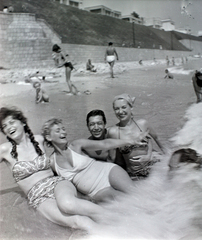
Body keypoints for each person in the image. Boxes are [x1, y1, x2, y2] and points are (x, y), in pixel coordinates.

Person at [0, 107, 112, 231]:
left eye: (11, 122)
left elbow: (61, 140)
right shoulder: (4, 150)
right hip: (38, 197)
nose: (9, 127)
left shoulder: (38, 139)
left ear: (23, 122)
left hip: (57, 184)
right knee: (78, 221)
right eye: (4, 126)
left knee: (68, 204)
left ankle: (119, 218)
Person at [41, 118, 141, 203]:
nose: (64, 132)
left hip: (108, 172)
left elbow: (105, 144)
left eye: (63, 129)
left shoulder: (76, 145)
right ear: (48, 137)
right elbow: (59, 185)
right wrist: (83, 198)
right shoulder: (52, 163)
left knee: (137, 196)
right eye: (58, 131)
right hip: (97, 191)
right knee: (127, 204)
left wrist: (130, 141)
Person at [107, 93, 165, 180]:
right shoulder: (113, 132)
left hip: (154, 169)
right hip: (135, 176)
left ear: (131, 107)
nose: (120, 111)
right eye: (116, 109)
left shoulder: (143, 124)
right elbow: (112, 159)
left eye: (123, 107)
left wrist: (168, 157)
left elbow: (157, 139)